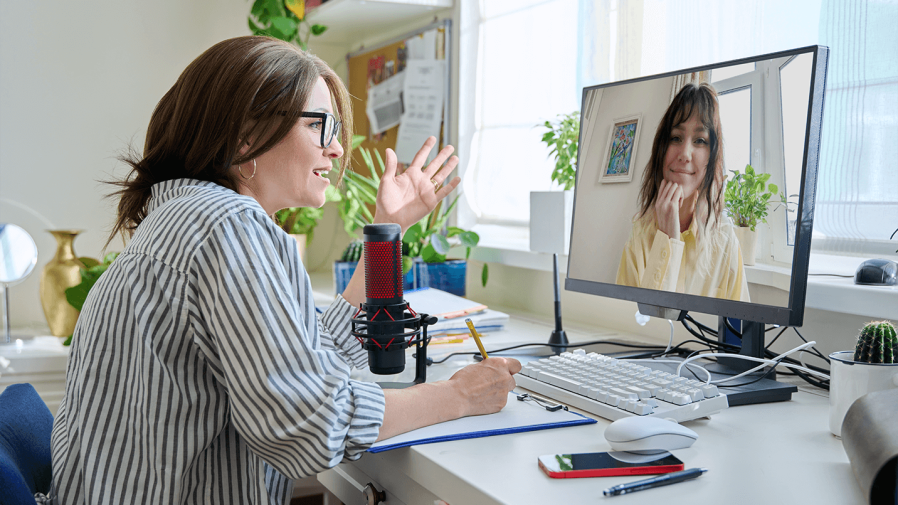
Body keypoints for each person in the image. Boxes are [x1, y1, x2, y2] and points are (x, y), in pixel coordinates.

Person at [49, 36, 521, 505]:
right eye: (322, 125)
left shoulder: (184, 215)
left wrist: (387, 231)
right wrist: (459, 395)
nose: (337, 150)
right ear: (245, 134)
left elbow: (310, 356)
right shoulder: (226, 225)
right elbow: (310, 427)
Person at [616, 82, 750, 302]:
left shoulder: (725, 238)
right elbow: (637, 325)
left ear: (711, 157)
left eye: (699, 140)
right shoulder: (638, 236)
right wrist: (668, 239)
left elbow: (738, 329)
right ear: (662, 149)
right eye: (676, 138)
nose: (685, 154)